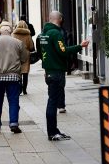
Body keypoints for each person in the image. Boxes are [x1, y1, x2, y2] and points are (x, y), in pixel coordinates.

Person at [40, 11, 89, 141]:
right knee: (52, 102)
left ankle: (54, 130)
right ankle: (52, 132)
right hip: (56, 72)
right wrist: (80, 46)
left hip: (49, 71)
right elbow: (63, 51)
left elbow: (42, 53)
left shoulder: (43, 34)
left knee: (52, 100)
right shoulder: (56, 33)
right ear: (60, 19)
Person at [0, 21, 28, 134]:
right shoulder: (17, 42)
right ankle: (13, 123)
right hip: (13, 77)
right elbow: (24, 58)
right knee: (13, 100)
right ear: (11, 31)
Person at [12, 20, 34, 95]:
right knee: (25, 73)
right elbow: (31, 47)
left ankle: (19, 88)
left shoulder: (13, 34)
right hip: (26, 56)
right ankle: (24, 89)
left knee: (18, 72)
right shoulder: (28, 35)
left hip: (16, 55)